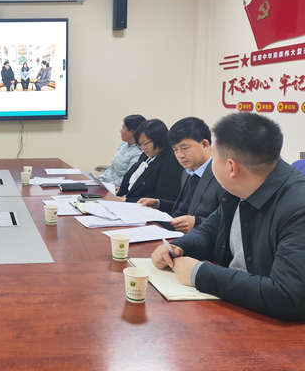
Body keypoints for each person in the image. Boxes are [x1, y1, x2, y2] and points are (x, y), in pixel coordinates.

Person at [151, 113, 305, 321]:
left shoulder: (298, 207)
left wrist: (200, 274)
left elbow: (287, 296)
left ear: (231, 167)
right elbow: (209, 231)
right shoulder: (239, 190)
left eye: (214, 159)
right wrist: (178, 247)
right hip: (235, 305)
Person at [138, 117, 225, 233]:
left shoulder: (221, 176)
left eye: (184, 148)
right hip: (171, 228)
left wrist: (197, 222)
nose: (180, 155)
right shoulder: (187, 171)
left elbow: (227, 221)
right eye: (175, 150)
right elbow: (187, 207)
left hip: (195, 236)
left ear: (205, 145)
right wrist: (159, 204)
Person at [117, 119, 184, 203]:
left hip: (142, 207)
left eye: (145, 143)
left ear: (158, 139)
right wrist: (124, 189)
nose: (143, 148)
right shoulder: (147, 155)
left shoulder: (170, 161)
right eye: (140, 144)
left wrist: (127, 200)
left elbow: (162, 199)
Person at [99, 114, 146, 187]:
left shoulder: (139, 153)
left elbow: (129, 178)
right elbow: (111, 168)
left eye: (123, 128)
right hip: (107, 185)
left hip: (118, 189)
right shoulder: (123, 145)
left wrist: (108, 185)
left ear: (132, 132)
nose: (121, 131)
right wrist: (100, 180)